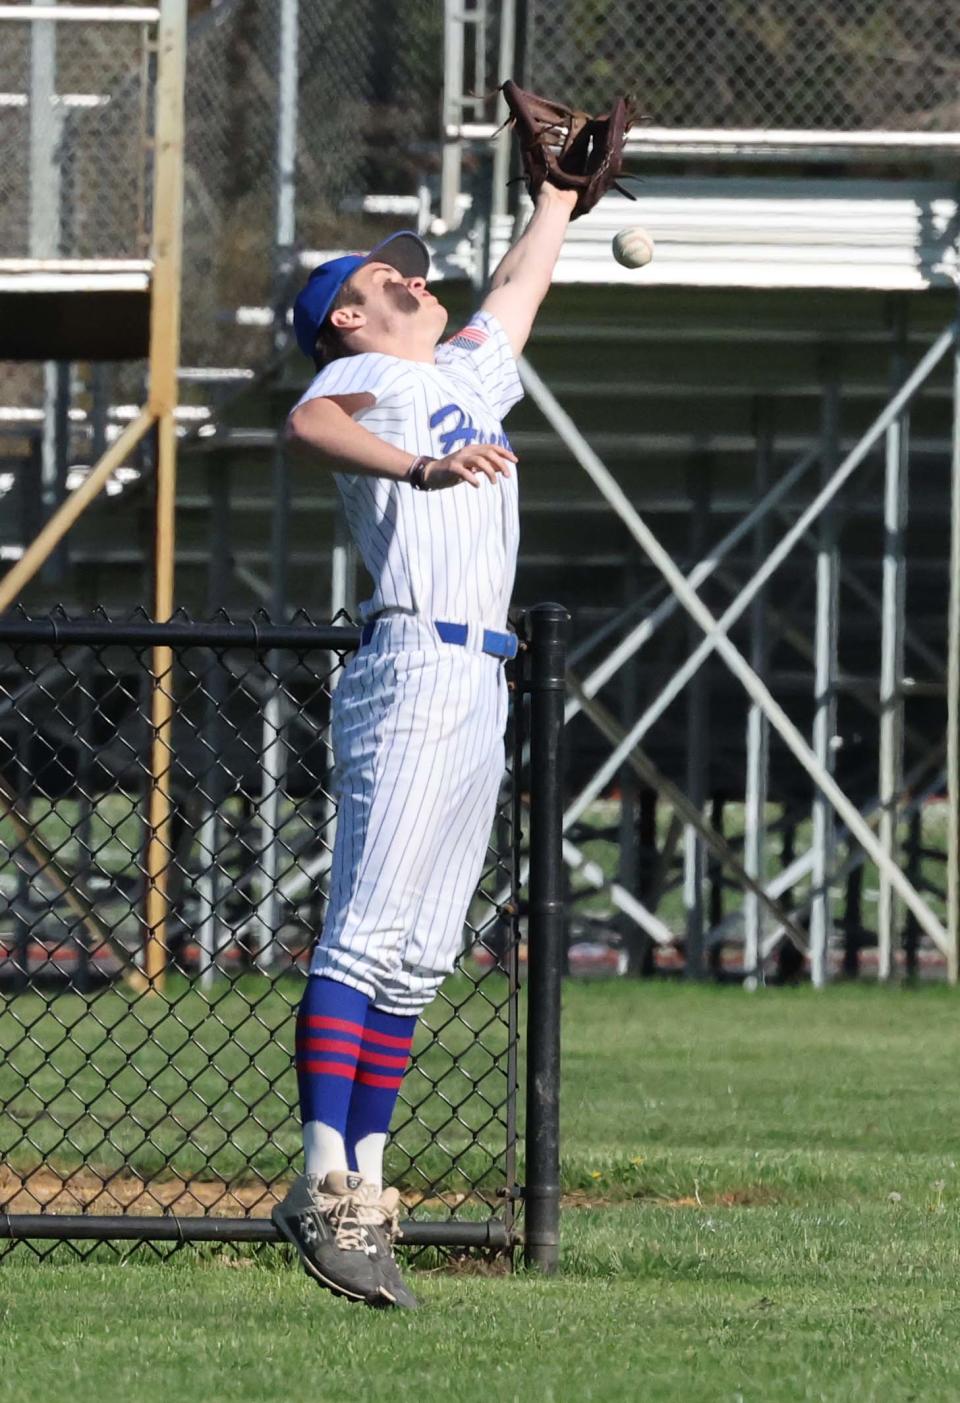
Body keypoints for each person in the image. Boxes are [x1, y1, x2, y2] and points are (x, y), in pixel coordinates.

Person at [272, 182, 578, 1309]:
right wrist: (418, 469)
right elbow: (308, 427)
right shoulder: (367, 379)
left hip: (478, 674)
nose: (409, 273)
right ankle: (318, 1176)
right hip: (410, 659)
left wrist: (557, 196)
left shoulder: (454, 375)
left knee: (417, 956)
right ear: (348, 318)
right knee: (361, 937)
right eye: (381, 274)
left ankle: (368, 1185)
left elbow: (518, 288)